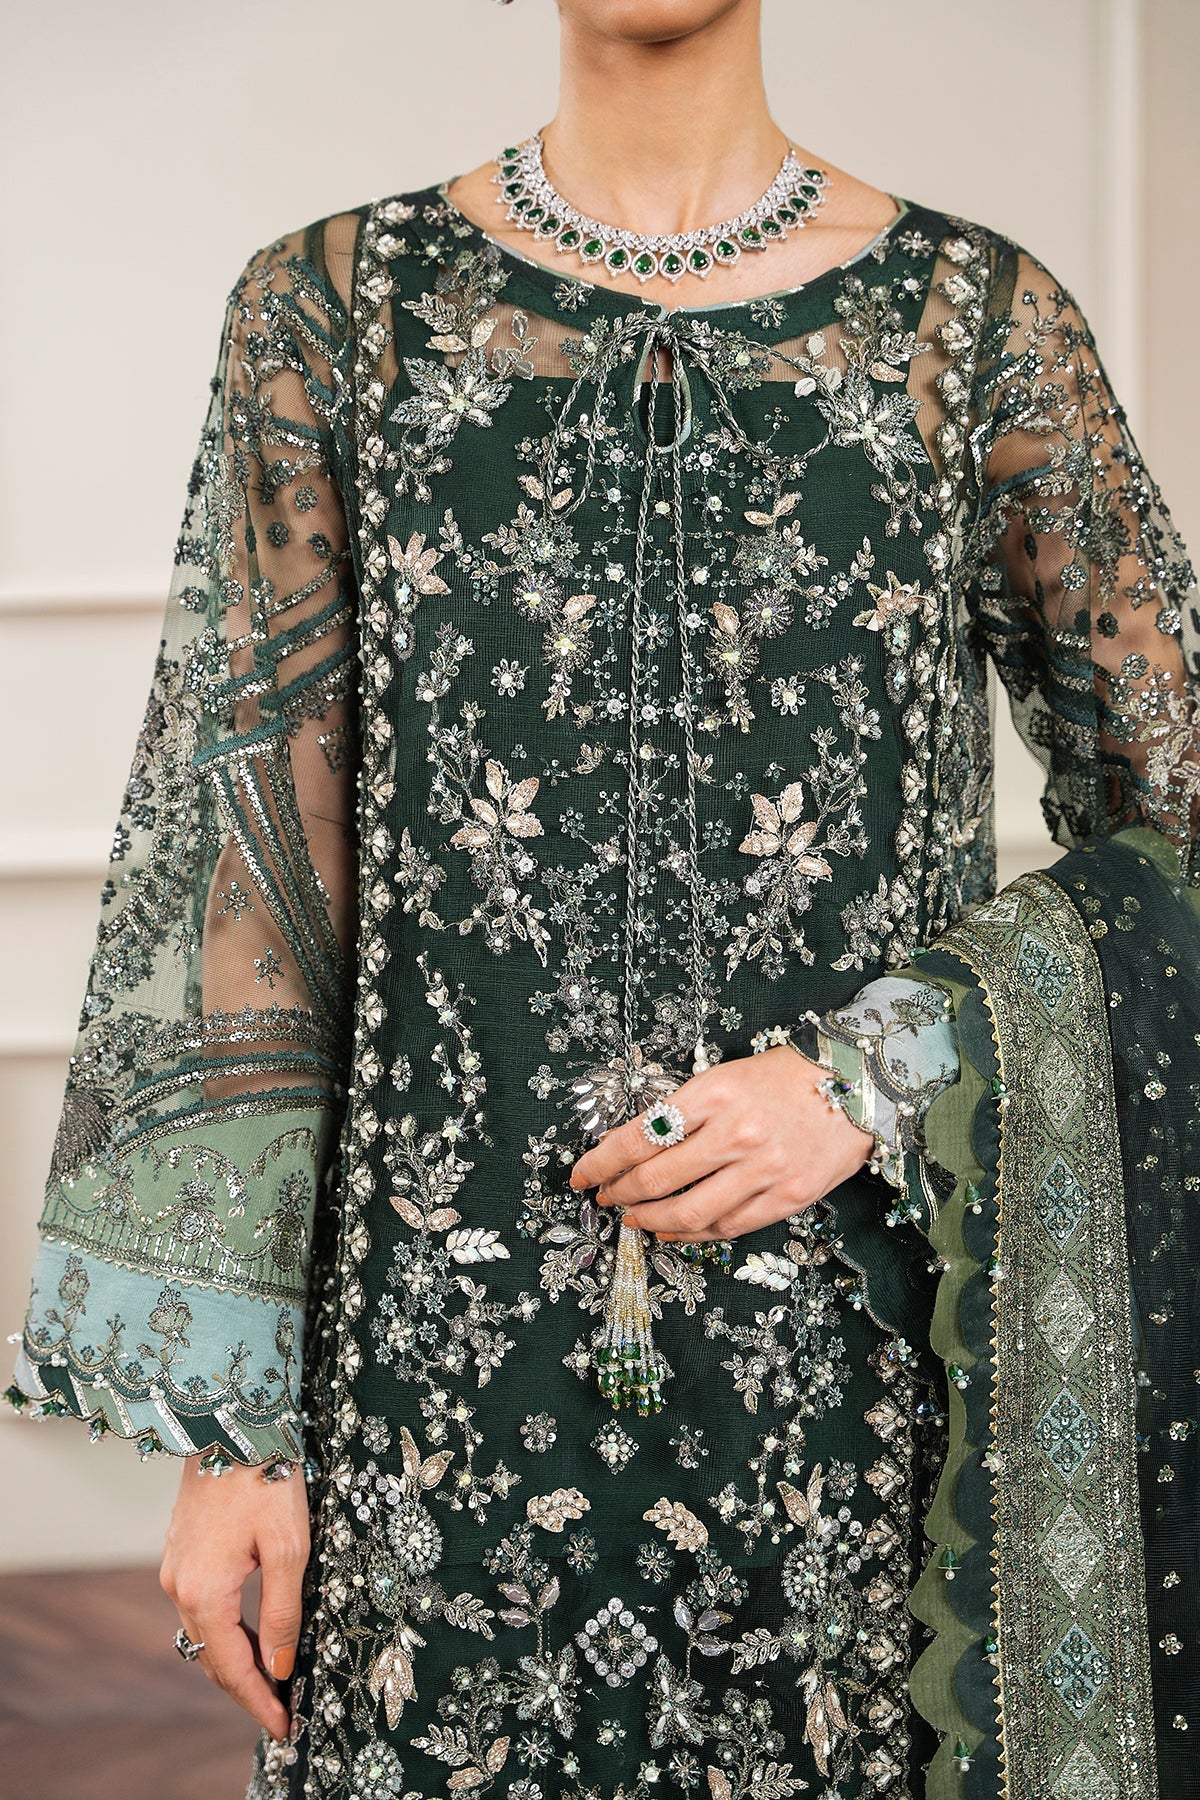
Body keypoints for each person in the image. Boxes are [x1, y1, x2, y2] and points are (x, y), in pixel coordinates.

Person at [7, 1, 1198, 1795]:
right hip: (423, 1403)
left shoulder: (974, 329)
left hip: (852, 1386)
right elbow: (251, 873)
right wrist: (232, 1436)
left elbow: (1177, 842)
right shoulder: (333, 312)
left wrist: (877, 1069)